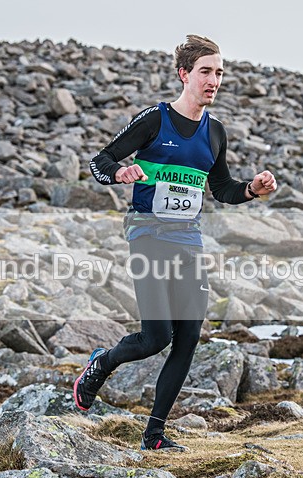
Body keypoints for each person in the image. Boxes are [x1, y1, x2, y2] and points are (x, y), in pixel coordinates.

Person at [76, 34, 277, 451]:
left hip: (188, 242)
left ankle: (154, 436)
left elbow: (221, 188)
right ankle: (101, 364)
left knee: (187, 339)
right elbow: (100, 161)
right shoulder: (156, 119)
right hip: (148, 235)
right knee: (155, 338)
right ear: (185, 74)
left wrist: (253, 189)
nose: (214, 80)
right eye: (206, 71)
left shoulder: (215, 133)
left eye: (219, 73)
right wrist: (121, 174)